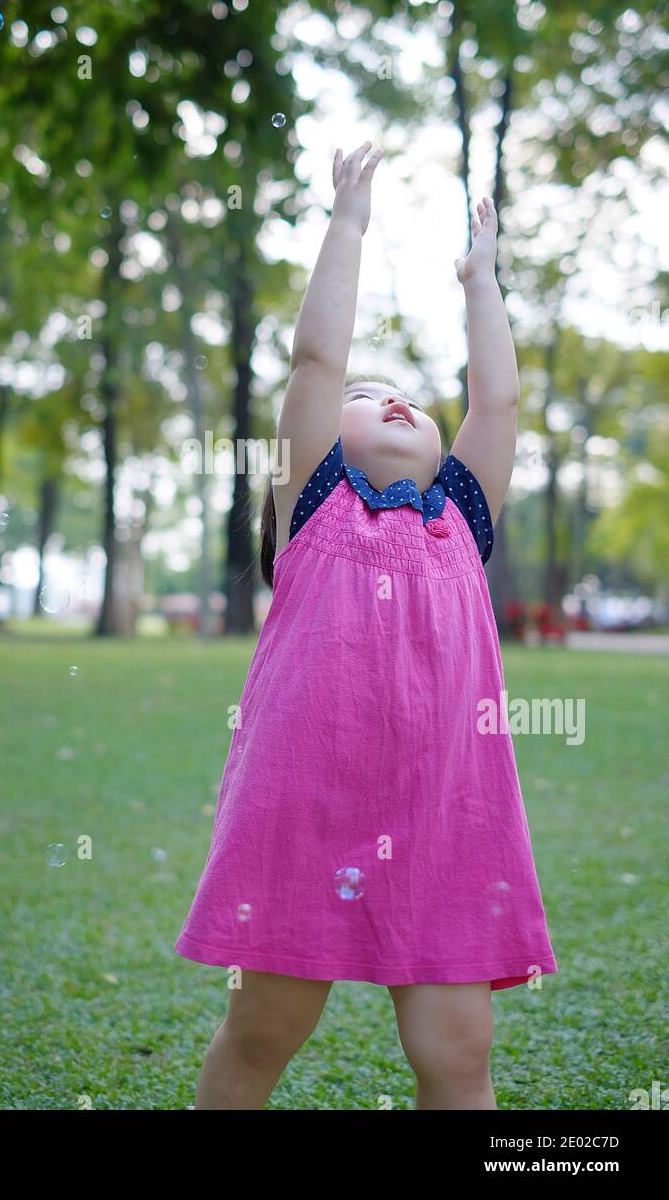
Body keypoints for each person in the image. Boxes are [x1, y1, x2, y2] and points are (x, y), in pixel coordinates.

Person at [173, 142, 558, 1110]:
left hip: (445, 813)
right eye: (360, 398)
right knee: (264, 1027)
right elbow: (317, 357)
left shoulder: (458, 525)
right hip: (303, 803)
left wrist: (480, 280)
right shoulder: (315, 510)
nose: (389, 398)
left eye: (410, 403)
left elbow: (497, 398)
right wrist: (345, 224)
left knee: (458, 1048)